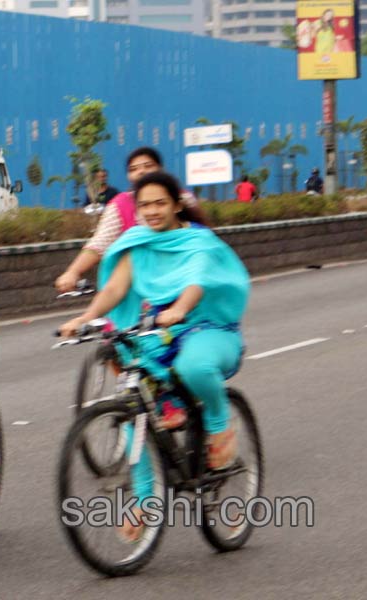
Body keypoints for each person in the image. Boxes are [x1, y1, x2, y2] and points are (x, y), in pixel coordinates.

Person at [59, 172, 249, 541]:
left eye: (160, 202)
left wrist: (180, 309)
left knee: (193, 367)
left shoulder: (199, 241)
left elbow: (196, 282)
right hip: (161, 332)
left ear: (178, 204)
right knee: (133, 408)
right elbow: (115, 287)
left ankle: (218, 424)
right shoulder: (137, 242)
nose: (152, 211)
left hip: (208, 328)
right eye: (144, 204)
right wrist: (85, 318)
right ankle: (146, 501)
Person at [55, 147, 206, 294]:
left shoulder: (185, 202)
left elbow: (204, 258)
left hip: (184, 284)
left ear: (177, 206)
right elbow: (100, 243)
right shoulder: (121, 208)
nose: (141, 171)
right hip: (140, 291)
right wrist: (73, 272)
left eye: (148, 166)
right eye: (133, 169)